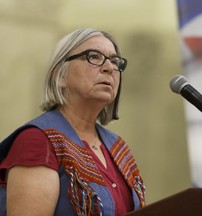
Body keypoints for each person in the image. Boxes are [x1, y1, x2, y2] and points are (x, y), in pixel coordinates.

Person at [0, 28, 145, 216]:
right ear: (60, 75)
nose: (109, 68)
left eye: (115, 61)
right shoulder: (38, 142)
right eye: (94, 56)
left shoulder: (119, 149)